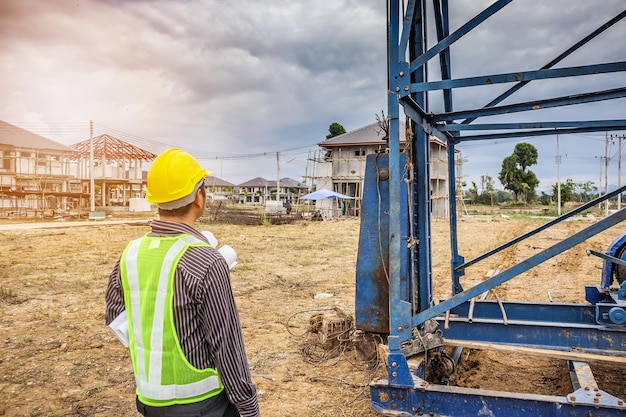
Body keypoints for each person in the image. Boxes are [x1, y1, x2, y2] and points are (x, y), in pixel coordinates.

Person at [105, 148, 260, 417]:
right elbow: (226, 343)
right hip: (203, 405)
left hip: (148, 400)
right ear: (199, 196)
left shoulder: (130, 254)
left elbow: (116, 317)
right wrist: (248, 408)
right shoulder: (207, 261)